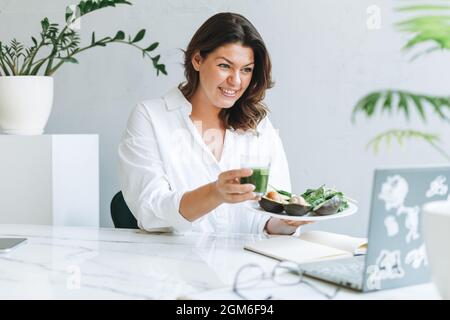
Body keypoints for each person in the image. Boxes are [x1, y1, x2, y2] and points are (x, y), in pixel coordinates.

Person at [118, 12, 309, 235]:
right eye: (225, 66)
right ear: (197, 60)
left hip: (245, 265)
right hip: (174, 265)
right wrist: (215, 193)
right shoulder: (151, 117)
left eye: (246, 69)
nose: (236, 81)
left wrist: (287, 222)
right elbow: (150, 211)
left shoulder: (259, 125)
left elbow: (270, 212)